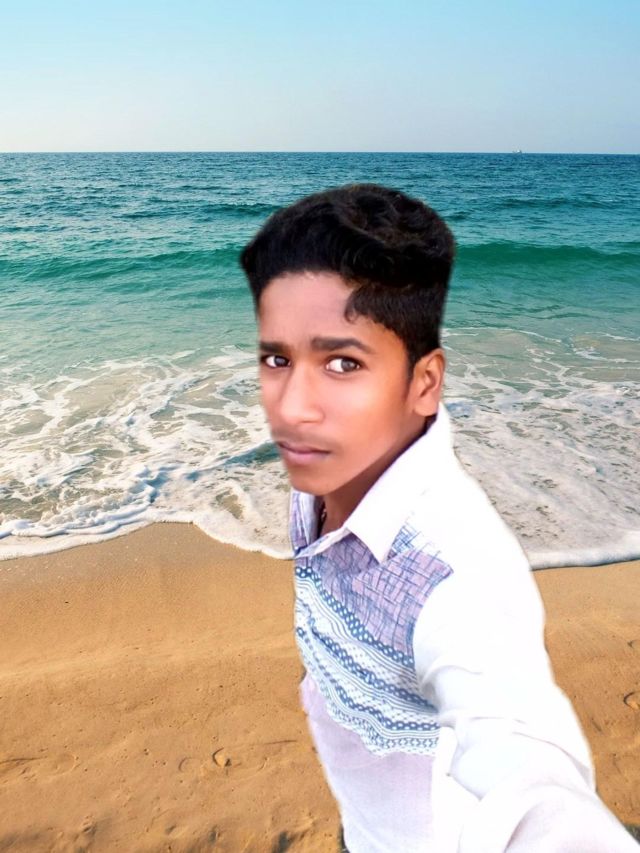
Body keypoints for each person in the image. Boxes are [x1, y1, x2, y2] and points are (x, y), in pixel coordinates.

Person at [239, 184, 638, 852]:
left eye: (342, 362)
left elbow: (529, 780)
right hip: (363, 824)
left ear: (424, 383)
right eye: (278, 359)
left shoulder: (454, 576)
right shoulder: (323, 480)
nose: (293, 405)